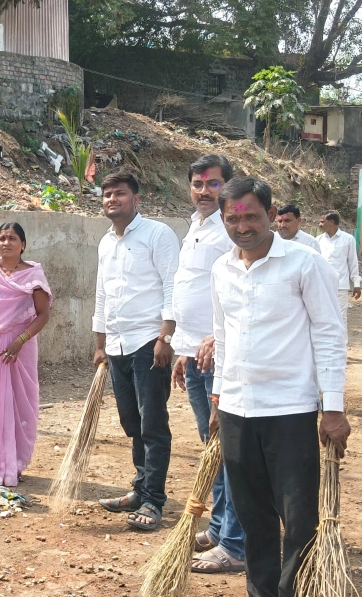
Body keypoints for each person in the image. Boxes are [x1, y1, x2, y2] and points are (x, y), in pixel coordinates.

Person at [210, 177, 350, 597]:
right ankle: (262, 590)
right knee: (254, 517)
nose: (242, 226)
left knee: (300, 517)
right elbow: (222, 334)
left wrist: (334, 408)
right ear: (223, 219)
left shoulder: (305, 264)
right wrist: (218, 398)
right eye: (232, 218)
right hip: (238, 409)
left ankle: (295, 589)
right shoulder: (221, 268)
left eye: (251, 216)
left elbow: (329, 334)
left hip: (290, 409)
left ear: (271, 215)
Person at [169, 155, 245, 573]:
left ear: (226, 188)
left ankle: (236, 543)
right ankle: (220, 527)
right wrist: (182, 346)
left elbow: (238, 291)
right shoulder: (196, 226)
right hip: (194, 354)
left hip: (221, 356)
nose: (204, 191)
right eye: (198, 183)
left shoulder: (233, 228)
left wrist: (217, 338)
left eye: (213, 184)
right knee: (212, 447)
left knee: (230, 451)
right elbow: (194, 292)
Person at [93, 170, 179, 531]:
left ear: (136, 198)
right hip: (117, 344)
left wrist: (166, 337)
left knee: (153, 423)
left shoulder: (158, 234)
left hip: (148, 342)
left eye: (120, 194)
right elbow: (101, 292)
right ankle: (140, 487)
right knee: (132, 421)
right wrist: (99, 344)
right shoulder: (105, 243)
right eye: (107, 194)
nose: (113, 199)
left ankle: (153, 502)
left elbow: (173, 286)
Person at [0, 222, 52, 487]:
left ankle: (14, 463)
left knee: (19, 403)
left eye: (12, 238)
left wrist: (19, 341)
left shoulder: (33, 275)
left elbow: (43, 314)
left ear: (22, 245)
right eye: (2, 238)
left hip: (20, 348)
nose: (6, 243)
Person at [317, 209, 360, 341]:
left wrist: (357, 284)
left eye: (322, 222)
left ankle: (342, 350)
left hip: (340, 286)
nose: (319, 224)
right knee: (322, 318)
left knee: (341, 318)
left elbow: (353, 263)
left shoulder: (348, 239)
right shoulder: (318, 240)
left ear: (331, 222)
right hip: (321, 286)